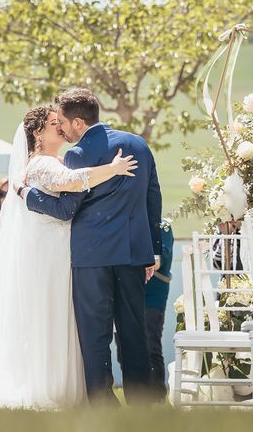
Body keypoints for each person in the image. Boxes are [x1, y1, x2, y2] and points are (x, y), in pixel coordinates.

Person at [0, 104, 137, 409]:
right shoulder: (42, 164)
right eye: (55, 123)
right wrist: (112, 169)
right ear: (37, 133)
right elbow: (69, 183)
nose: (62, 126)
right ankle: (46, 386)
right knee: (49, 313)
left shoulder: (48, 161)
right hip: (47, 256)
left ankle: (58, 384)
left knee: (56, 315)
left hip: (54, 252)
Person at [20, 88, 162, 405]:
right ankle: (141, 401)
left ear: (80, 122)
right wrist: (153, 249)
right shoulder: (138, 144)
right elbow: (153, 197)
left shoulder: (78, 155)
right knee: (133, 330)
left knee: (95, 332)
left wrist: (26, 194)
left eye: (65, 123)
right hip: (132, 254)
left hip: (91, 256)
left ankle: (102, 401)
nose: (63, 129)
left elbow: (67, 209)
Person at [143, 219, 174, 402]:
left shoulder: (163, 226)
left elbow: (160, 259)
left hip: (153, 295)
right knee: (125, 346)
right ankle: (138, 393)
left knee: (150, 342)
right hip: (127, 292)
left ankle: (156, 395)